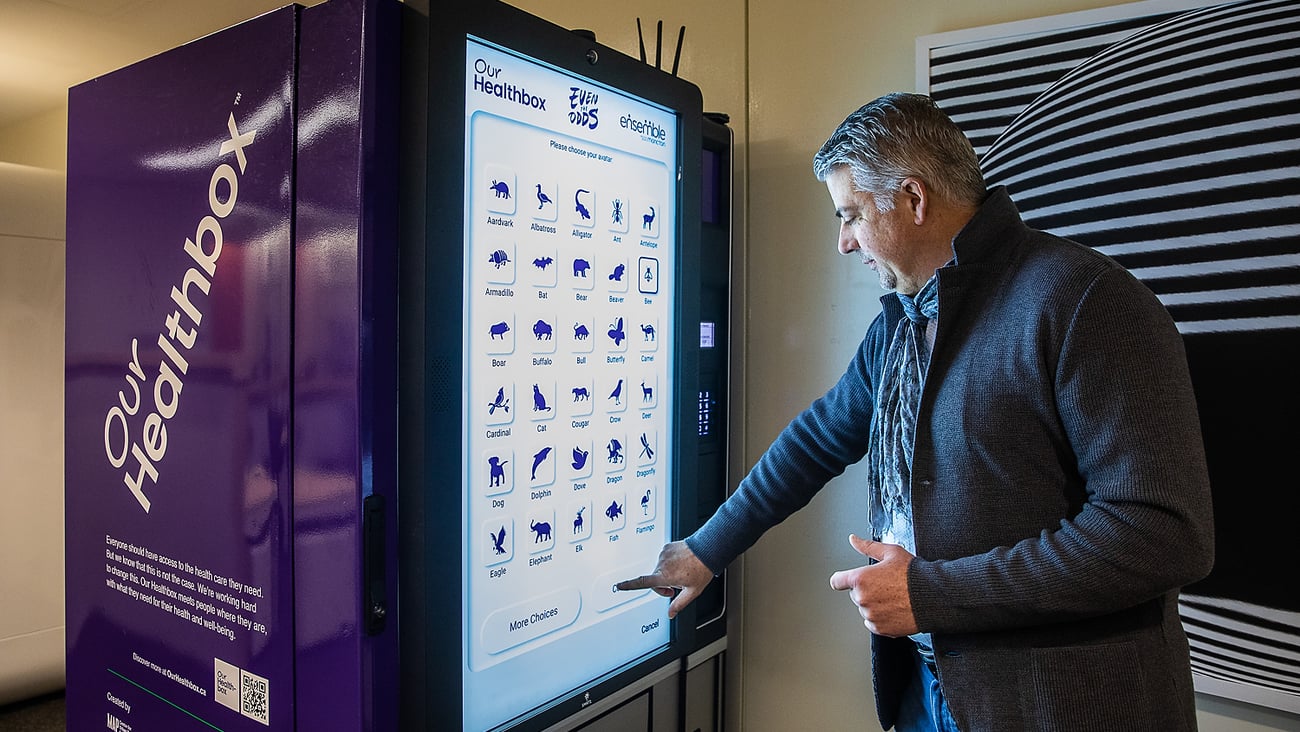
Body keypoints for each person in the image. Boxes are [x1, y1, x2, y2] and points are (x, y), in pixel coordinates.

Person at [616, 93, 1215, 731]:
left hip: (1059, 706)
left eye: (851, 214)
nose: (843, 242)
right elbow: (818, 440)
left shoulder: (1086, 303)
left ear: (913, 198)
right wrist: (705, 549)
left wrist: (930, 595)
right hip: (928, 691)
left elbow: (1164, 535)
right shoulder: (906, 319)